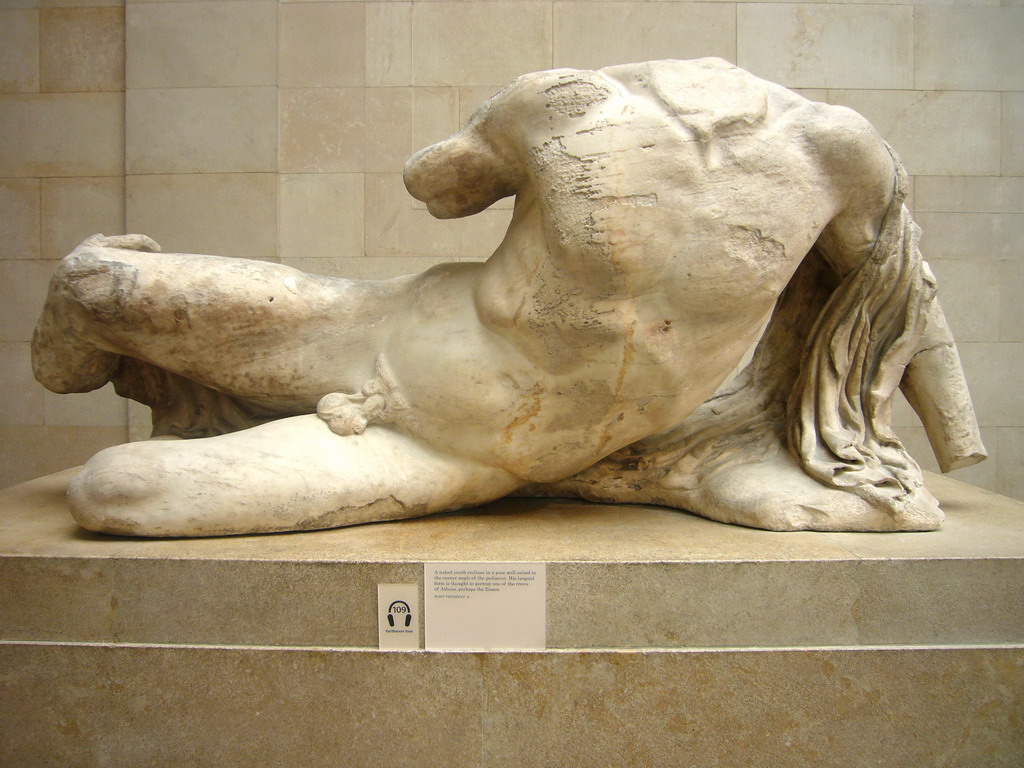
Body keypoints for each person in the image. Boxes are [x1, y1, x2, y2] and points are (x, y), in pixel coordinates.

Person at [33, 59, 983, 536]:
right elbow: (903, 291)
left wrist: (952, 443)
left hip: (454, 445)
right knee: (93, 283)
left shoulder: (832, 153)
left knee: (116, 491)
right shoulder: (828, 146)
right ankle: (118, 356)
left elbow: (893, 293)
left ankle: (642, 471)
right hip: (381, 326)